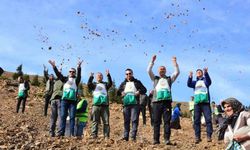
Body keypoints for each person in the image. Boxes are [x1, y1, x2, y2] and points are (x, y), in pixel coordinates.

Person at [147, 55, 180, 145]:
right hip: (156, 103)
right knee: (156, 121)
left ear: (165, 71)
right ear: (158, 71)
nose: (162, 70)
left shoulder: (169, 79)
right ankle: (156, 140)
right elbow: (148, 71)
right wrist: (152, 61)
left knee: (167, 122)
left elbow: (177, 72)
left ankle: (166, 139)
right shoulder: (155, 78)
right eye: (160, 69)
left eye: (163, 69)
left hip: (166, 103)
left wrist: (174, 63)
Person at [49, 59, 82, 136]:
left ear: (75, 73)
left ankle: (72, 134)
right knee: (63, 116)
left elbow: (79, 75)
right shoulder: (64, 79)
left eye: (73, 72)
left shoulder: (76, 80)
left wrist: (79, 67)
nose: (71, 73)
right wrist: (54, 66)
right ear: (68, 72)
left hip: (73, 102)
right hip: (64, 101)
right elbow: (58, 74)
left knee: (72, 117)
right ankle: (61, 133)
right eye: (70, 71)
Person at [117, 68, 147, 141]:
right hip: (126, 104)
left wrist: (139, 91)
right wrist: (121, 92)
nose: (128, 75)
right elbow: (118, 92)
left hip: (135, 104)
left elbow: (144, 90)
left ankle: (133, 137)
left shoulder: (137, 82)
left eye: (130, 73)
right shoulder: (123, 83)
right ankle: (125, 136)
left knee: (134, 120)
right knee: (126, 120)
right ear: (125, 75)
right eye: (127, 74)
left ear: (132, 74)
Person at [187, 67, 213, 143]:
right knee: (196, 120)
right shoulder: (194, 82)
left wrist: (206, 73)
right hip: (197, 104)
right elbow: (189, 84)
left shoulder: (205, 81)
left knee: (208, 119)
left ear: (202, 73)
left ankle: (209, 136)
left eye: (200, 71)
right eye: (197, 72)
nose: (198, 72)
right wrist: (190, 77)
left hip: (205, 103)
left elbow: (209, 82)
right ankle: (197, 137)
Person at [87, 70, 112, 139]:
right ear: (96, 77)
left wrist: (108, 75)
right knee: (95, 121)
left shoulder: (105, 84)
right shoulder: (94, 84)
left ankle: (106, 136)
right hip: (95, 105)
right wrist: (91, 77)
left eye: (100, 76)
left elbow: (110, 83)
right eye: (98, 76)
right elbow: (89, 84)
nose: (99, 77)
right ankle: (94, 135)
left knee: (106, 122)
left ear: (102, 77)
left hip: (105, 106)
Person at [49, 68, 63, 137]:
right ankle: (58, 132)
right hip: (59, 99)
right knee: (60, 116)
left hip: (53, 99)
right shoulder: (63, 80)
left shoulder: (54, 81)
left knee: (53, 117)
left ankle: (51, 132)